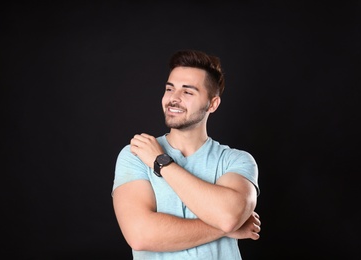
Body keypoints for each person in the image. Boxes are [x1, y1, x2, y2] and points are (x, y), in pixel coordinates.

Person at [112, 49, 261, 259]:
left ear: (212, 104)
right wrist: (225, 228)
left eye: (188, 92)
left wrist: (161, 163)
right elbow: (140, 235)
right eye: (169, 88)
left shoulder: (236, 160)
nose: (174, 98)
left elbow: (228, 217)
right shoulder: (135, 153)